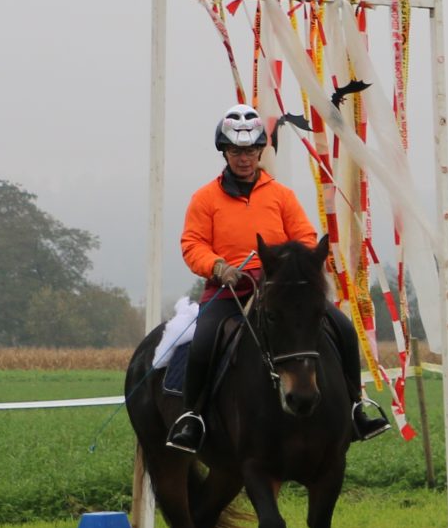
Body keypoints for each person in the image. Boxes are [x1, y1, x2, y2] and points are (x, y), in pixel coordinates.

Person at [163, 104, 390, 452]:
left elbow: (304, 235)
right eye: (236, 151)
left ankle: (357, 407)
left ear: (260, 151)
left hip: (281, 290)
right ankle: (193, 418)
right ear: (225, 152)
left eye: (250, 151)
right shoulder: (205, 198)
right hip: (230, 292)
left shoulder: (281, 195)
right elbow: (192, 244)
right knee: (204, 341)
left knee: (344, 329)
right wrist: (219, 267)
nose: (244, 159)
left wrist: (287, 265)